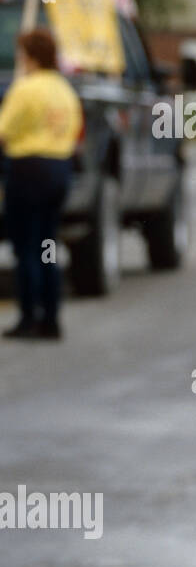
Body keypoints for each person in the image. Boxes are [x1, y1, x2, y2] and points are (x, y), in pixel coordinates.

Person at [0, 29, 81, 340]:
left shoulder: (25, 89)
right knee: (48, 245)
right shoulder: (65, 90)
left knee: (27, 249)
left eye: (21, 53)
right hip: (58, 171)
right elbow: (74, 132)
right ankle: (51, 318)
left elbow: (4, 130)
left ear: (31, 56)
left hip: (27, 169)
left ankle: (27, 318)